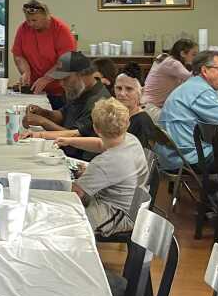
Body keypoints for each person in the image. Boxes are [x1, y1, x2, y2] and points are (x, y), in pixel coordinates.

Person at [54, 98, 149, 236]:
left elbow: (77, 193)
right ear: (127, 123)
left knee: (68, 221)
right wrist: (69, 141)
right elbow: (101, 144)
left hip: (120, 213)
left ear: (96, 129)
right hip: (135, 204)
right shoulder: (130, 139)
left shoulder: (104, 163)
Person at [157, 50, 218, 171]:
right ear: (204, 70)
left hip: (172, 156)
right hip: (188, 159)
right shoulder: (200, 90)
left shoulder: (192, 85)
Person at [21, 51, 110, 160]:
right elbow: (63, 114)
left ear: (82, 74)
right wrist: (43, 112)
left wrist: (42, 121)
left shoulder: (100, 102)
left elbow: (75, 135)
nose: (61, 83)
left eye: (65, 78)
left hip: (80, 159)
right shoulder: (81, 90)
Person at [11, 0, 76, 109]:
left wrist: (46, 79)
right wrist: (25, 72)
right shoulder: (23, 29)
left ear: (46, 16)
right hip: (35, 90)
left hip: (60, 92)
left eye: (34, 20)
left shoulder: (61, 30)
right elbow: (18, 55)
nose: (30, 24)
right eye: (28, 20)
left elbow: (66, 63)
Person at [142, 38, 198, 120]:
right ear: (182, 53)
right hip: (150, 108)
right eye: (194, 54)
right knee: (186, 120)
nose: (196, 58)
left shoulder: (167, 59)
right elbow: (192, 79)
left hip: (150, 105)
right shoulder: (173, 63)